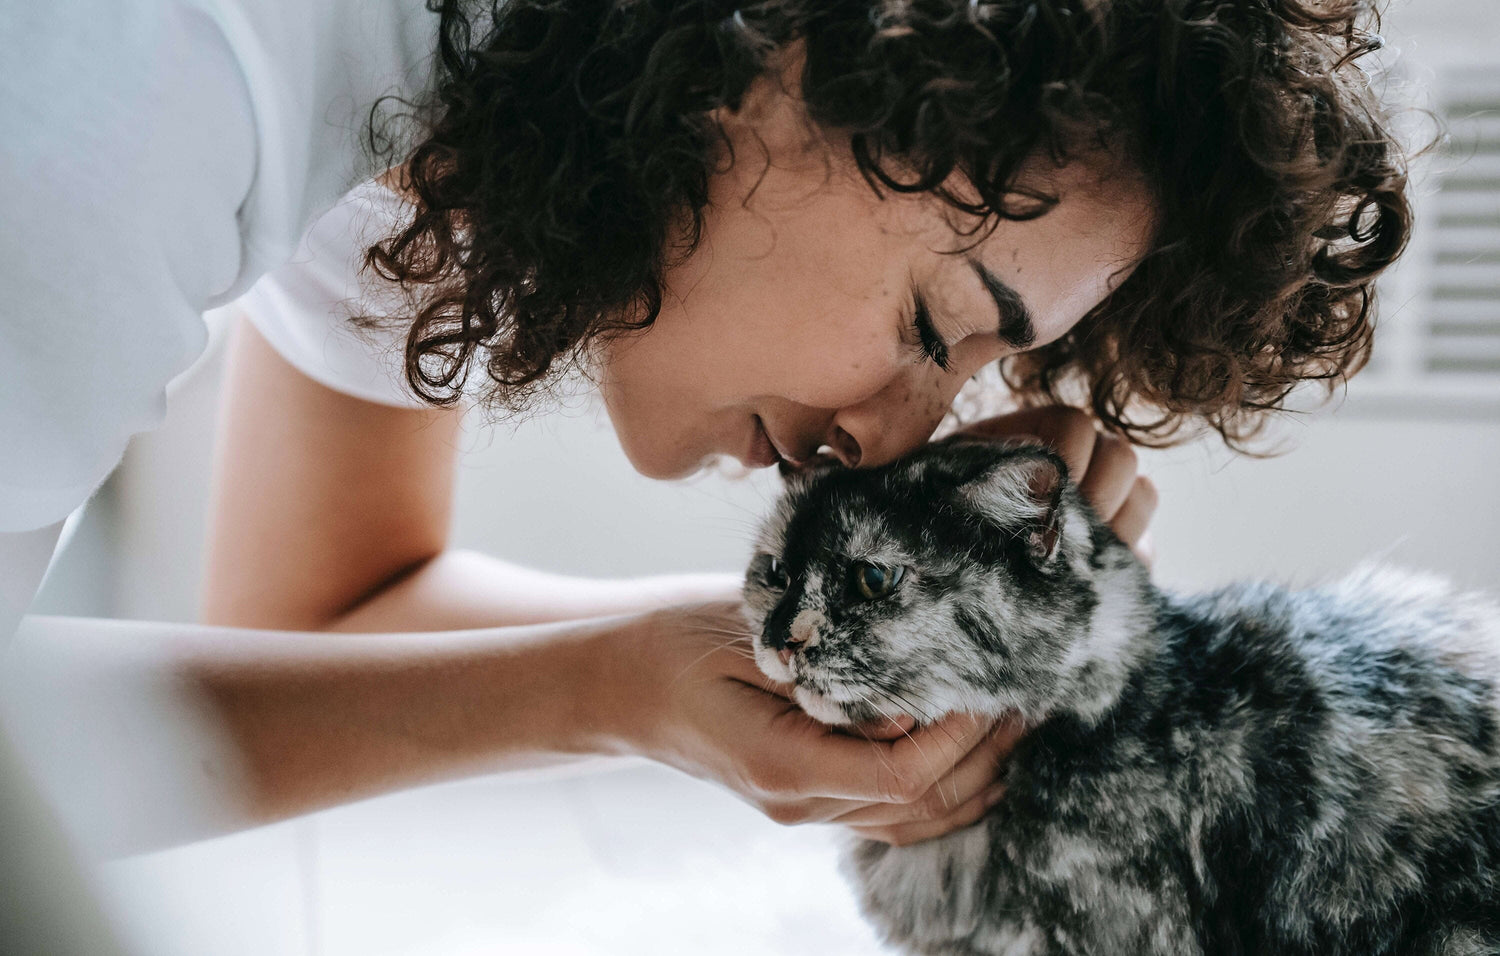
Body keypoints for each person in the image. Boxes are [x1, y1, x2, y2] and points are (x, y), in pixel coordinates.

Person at [0, 0, 1409, 949]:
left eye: (970, 373)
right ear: (786, 50)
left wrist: (787, 645)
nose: (903, 437)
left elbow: (321, 603)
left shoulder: (439, 127)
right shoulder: (132, 94)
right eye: (935, 325)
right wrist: (609, 694)